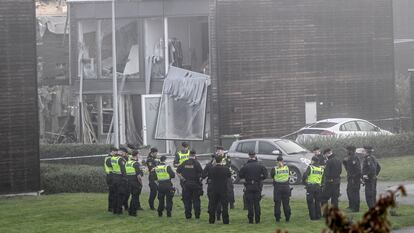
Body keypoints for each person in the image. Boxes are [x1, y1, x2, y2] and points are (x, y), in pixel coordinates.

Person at [239, 151, 268, 224]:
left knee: (250, 204)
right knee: (257, 204)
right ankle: (257, 220)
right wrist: (260, 178)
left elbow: (240, 175)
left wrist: (246, 176)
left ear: (249, 156)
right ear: (255, 156)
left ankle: (251, 220)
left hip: (248, 186)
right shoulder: (260, 165)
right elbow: (265, 175)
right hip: (257, 186)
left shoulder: (245, 166)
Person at [177, 150, 203, 219]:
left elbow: (178, 172)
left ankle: (188, 216)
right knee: (196, 200)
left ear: (189, 155)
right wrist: (200, 181)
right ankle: (197, 215)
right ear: (195, 155)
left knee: (187, 200)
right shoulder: (197, 163)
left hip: (186, 184)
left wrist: (182, 179)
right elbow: (201, 174)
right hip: (195, 184)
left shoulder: (184, 162)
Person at [207, 155, 231, 224]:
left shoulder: (212, 169)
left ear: (215, 160)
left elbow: (210, 176)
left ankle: (211, 220)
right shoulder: (226, 169)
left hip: (214, 189)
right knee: (224, 206)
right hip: (223, 189)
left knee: (212, 205)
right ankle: (226, 221)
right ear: (221, 160)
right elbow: (229, 176)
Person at [202, 153, 223, 221]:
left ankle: (211, 215)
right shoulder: (222, 165)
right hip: (219, 185)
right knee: (219, 201)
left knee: (211, 201)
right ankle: (218, 215)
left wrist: (208, 174)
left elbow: (203, 175)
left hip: (211, 184)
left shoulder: (209, 165)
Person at [271, 156, 291, 222]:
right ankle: (287, 217)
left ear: (277, 161)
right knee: (286, 203)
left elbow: (272, 176)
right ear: (283, 161)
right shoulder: (287, 167)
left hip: (278, 187)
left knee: (277, 203)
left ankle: (277, 218)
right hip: (286, 187)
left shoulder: (275, 169)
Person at [343, 145, 361, 212]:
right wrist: (344, 163)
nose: (346, 151)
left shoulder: (355, 158)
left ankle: (355, 208)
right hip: (350, 178)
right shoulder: (349, 157)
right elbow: (348, 169)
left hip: (354, 179)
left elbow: (358, 170)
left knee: (354, 193)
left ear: (351, 151)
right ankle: (351, 206)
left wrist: (354, 177)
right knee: (349, 192)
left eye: (348, 150)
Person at [125, 150, 144, 216]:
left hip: (128, 182)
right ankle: (133, 212)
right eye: (139, 154)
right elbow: (139, 176)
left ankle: (130, 210)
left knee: (133, 196)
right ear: (137, 155)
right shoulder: (136, 164)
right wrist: (141, 183)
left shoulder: (127, 162)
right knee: (135, 197)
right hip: (135, 182)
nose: (140, 156)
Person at [110, 148, 127, 214]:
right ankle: (119, 210)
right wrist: (125, 179)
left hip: (114, 178)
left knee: (115, 195)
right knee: (121, 195)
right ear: (121, 153)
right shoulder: (121, 160)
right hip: (120, 179)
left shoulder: (113, 158)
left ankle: (114, 209)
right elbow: (123, 170)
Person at [104, 147, 118, 212]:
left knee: (114, 192)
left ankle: (113, 206)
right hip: (110, 176)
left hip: (113, 176)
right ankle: (111, 207)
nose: (116, 153)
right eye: (116, 151)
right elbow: (111, 165)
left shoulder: (112, 158)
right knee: (112, 193)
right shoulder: (108, 158)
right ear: (112, 151)